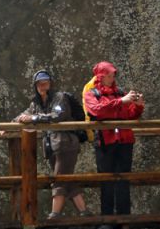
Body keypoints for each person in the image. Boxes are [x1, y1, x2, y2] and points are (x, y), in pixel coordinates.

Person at [15, 70, 91, 218]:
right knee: (66, 178)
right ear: (35, 86)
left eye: (46, 83)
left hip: (66, 143)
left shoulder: (59, 98)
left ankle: (54, 215)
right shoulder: (36, 103)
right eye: (40, 84)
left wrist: (34, 118)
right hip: (52, 146)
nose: (43, 86)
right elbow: (23, 115)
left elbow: (58, 115)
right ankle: (84, 212)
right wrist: (9, 127)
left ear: (51, 84)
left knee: (59, 178)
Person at [83, 62, 144, 216]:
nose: (111, 78)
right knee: (106, 181)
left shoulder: (120, 93)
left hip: (124, 141)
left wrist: (138, 106)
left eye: (112, 75)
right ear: (100, 77)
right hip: (105, 142)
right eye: (108, 76)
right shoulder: (91, 94)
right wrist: (121, 102)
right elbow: (97, 112)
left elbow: (130, 115)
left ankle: (124, 218)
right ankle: (107, 219)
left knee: (124, 180)